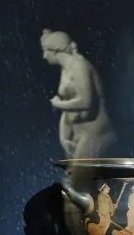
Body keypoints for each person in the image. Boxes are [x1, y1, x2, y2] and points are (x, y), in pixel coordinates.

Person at [40, 30, 116, 158]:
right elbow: (68, 110)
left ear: (56, 49)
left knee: (79, 171)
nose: (44, 56)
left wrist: (58, 104)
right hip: (78, 134)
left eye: (46, 50)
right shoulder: (66, 69)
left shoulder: (79, 66)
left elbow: (86, 102)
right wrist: (64, 138)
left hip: (94, 132)